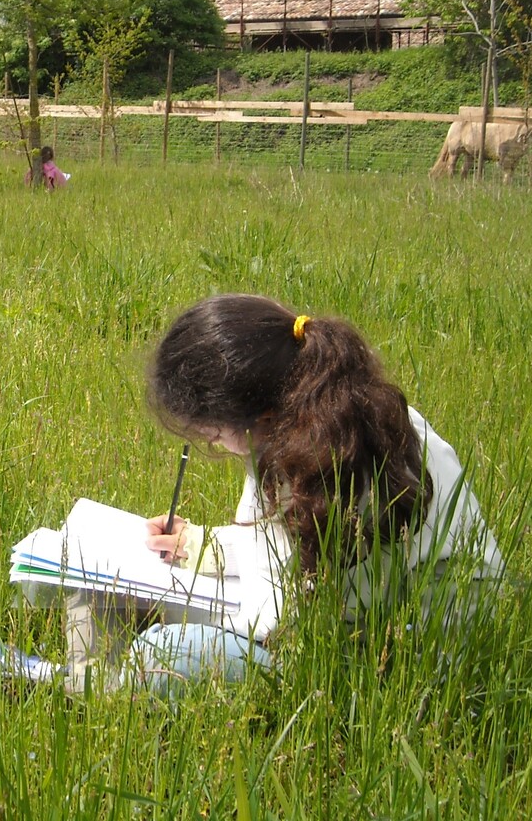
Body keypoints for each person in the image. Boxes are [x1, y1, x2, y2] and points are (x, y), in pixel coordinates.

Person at [61, 293, 503, 695]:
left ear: (259, 414)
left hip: (412, 657)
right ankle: (100, 683)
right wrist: (203, 547)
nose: (216, 445)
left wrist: (176, 610)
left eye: (215, 433)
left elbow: (282, 623)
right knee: (113, 595)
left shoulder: (322, 460)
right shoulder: (319, 418)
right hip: (364, 621)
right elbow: (284, 546)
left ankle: (93, 686)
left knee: (168, 648)